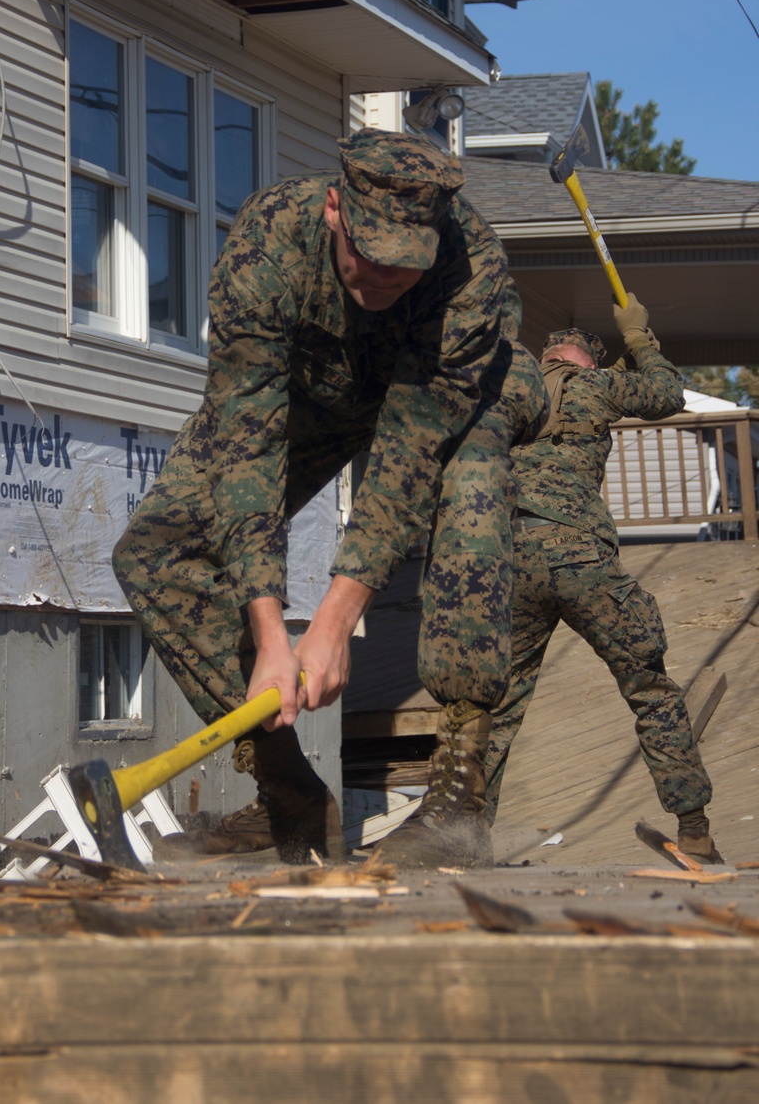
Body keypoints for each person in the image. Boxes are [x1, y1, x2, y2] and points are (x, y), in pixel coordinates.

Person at [113, 127, 546, 867]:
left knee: (471, 481)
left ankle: (459, 802)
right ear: (336, 208)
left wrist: (337, 621)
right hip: (321, 389)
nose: (380, 283)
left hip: (461, 393)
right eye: (367, 260)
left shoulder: (472, 269)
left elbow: (410, 449)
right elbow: (245, 439)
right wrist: (273, 635)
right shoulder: (268, 242)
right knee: (157, 548)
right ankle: (289, 797)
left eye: (404, 271)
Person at [484, 298, 723, 863]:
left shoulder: (513, 392)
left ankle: (464, 833)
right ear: (588, 363)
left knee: (497, 707)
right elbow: (666, 395)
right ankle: (695, 832)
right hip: (582, 558)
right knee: (650, 690)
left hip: (511, 559)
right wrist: (640, 339)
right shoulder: (595, 387)